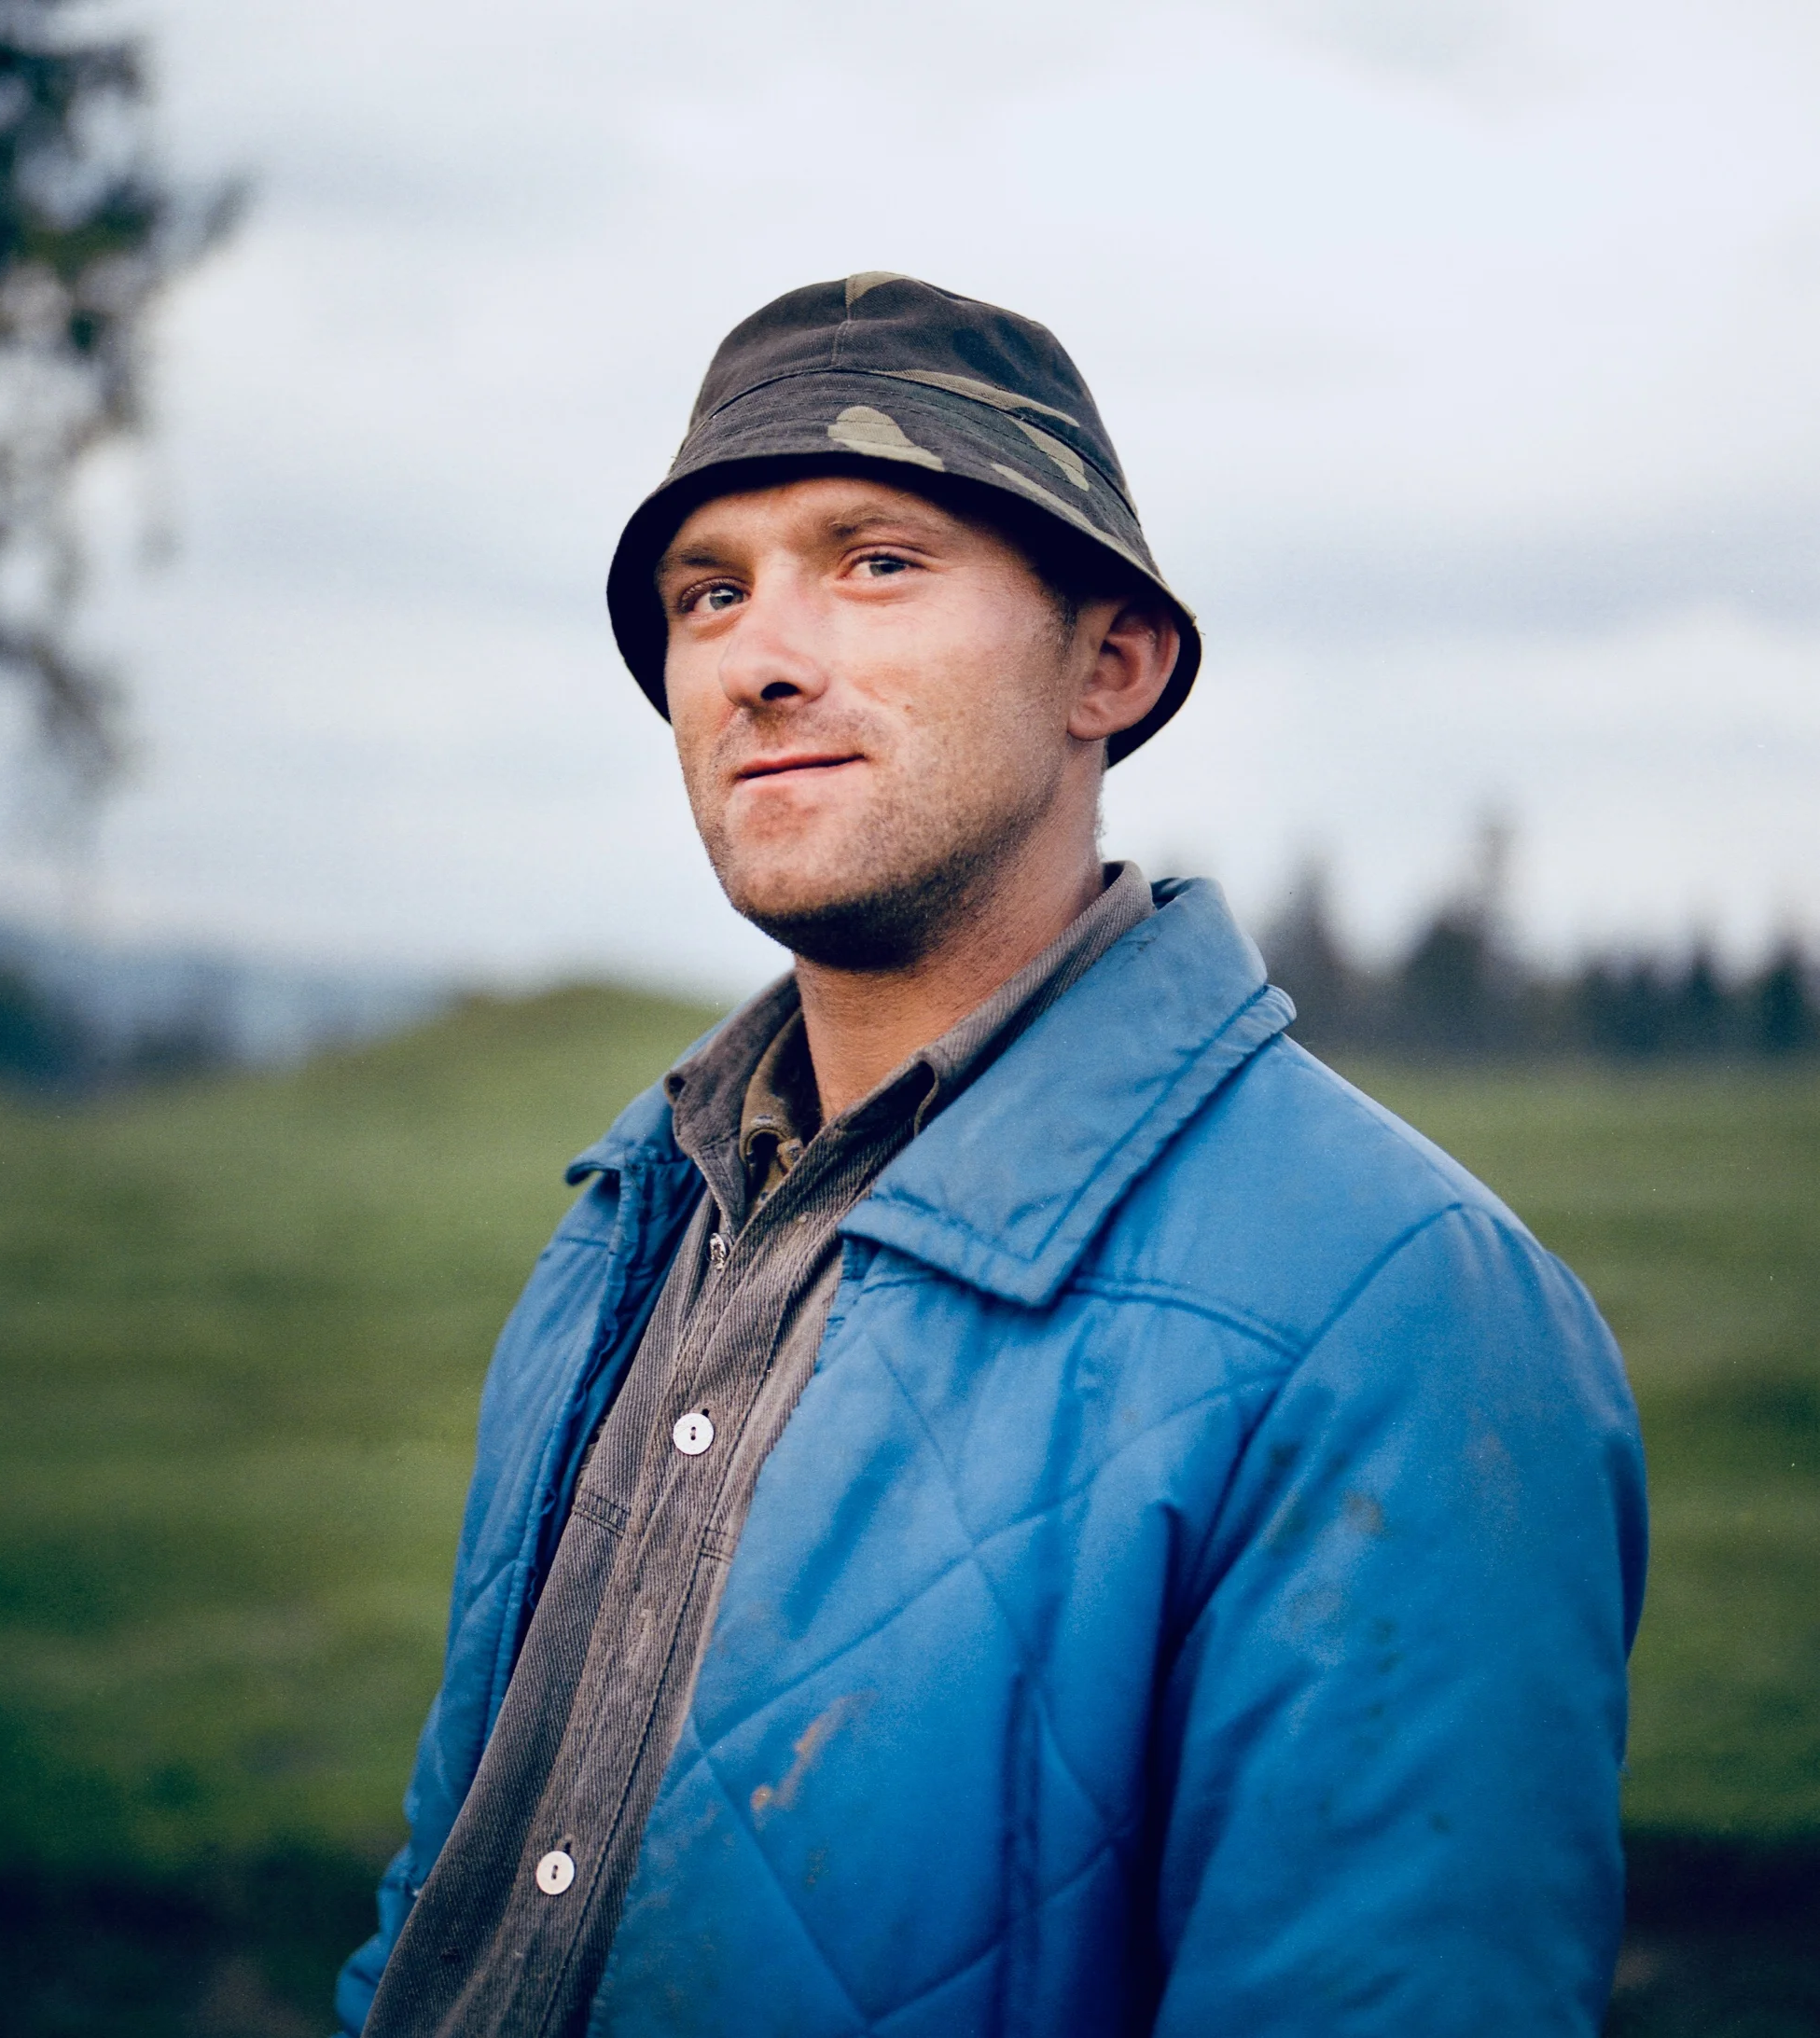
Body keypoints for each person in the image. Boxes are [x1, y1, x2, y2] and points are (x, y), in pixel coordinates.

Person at [336, 274, 1647, 2038]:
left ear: (1112, 662)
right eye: (706, 592)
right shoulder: (630, 1231)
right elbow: (451, 1905)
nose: (759, 654)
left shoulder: (1403, 1316)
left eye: (876, 561)